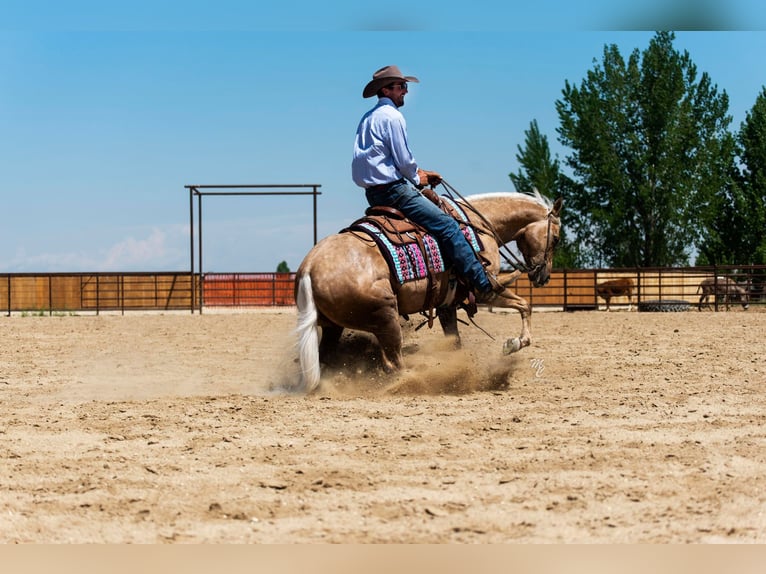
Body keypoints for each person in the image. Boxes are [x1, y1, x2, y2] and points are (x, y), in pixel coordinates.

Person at [352, 64, 503, 303]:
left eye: (405, 86)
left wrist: (418, 173)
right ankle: (483, 285)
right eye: (401, 87)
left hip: (373, 194)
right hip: (395, 192)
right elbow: (403, 161)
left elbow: (379, 159)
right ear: (386, 90)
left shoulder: (367, 119)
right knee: (448, 226)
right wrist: (418, 176)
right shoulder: (393, 117)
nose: (405, 91)